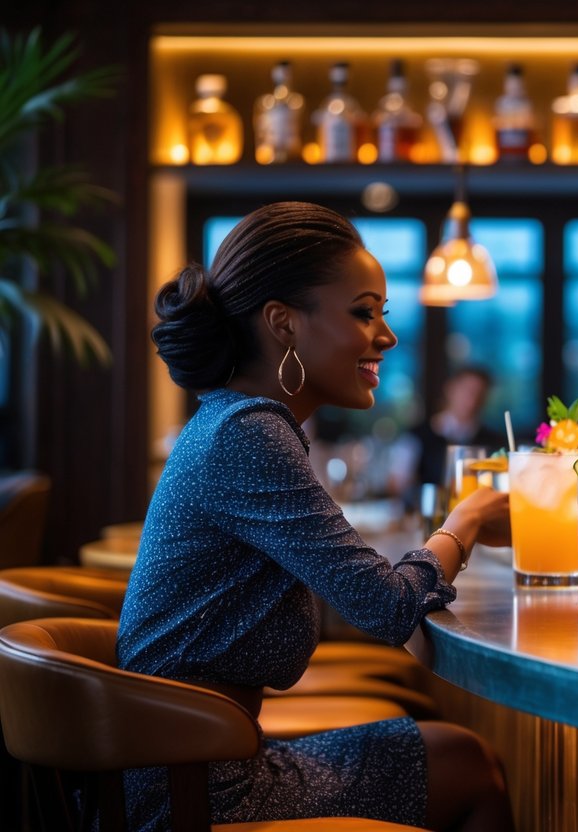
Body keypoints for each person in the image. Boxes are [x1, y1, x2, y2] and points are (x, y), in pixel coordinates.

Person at [118, 202, 514, 830]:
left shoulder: (237, 420)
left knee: (464, 756)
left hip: (200, 761)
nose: (386, 336)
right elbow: (385, 609)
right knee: (471, 765)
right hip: (193, 789)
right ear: (284, 324)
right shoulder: (249, 433)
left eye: (383, 314)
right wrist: (462, 524)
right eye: (364, 313)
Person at [413, 366, 509, 487]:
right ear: (450, 389)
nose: (472, 400)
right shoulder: (417, 436)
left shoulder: (494, 441)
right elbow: (398, 484)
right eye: (467, 391)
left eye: (480, 394)